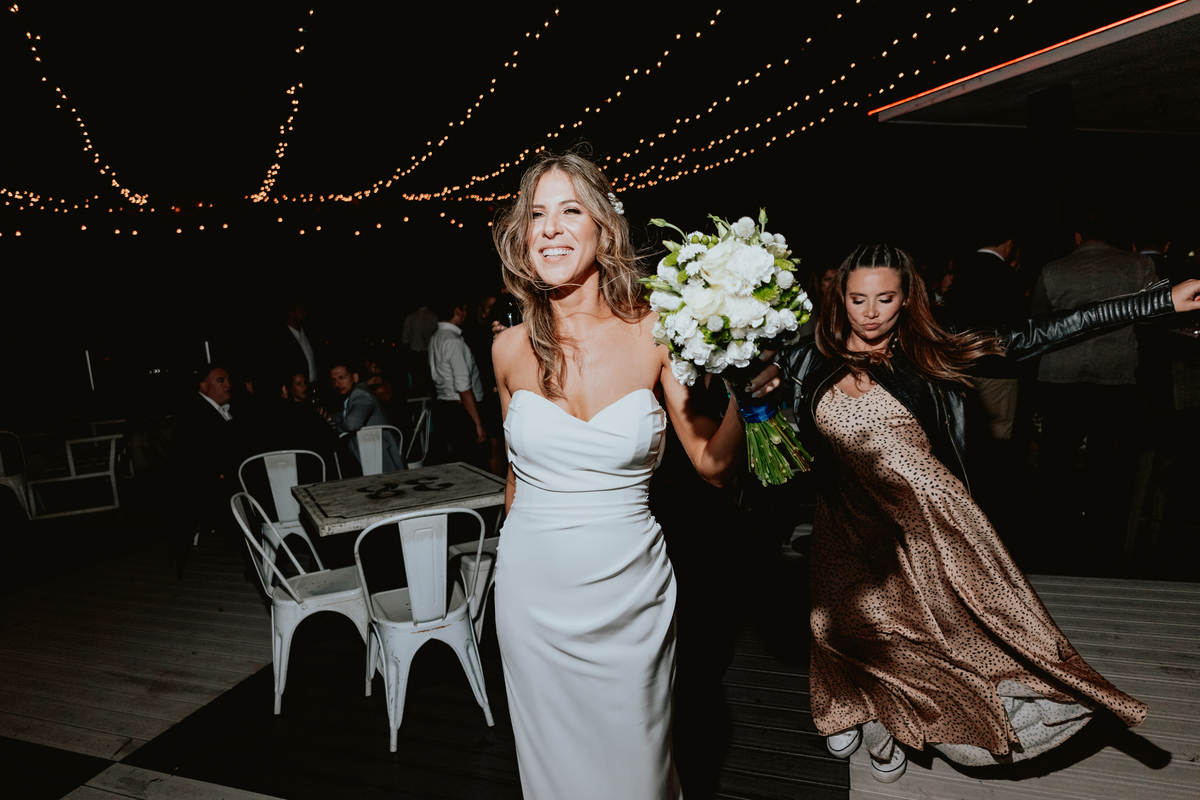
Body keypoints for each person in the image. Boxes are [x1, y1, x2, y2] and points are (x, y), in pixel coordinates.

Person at [781, 243, 1200, 782]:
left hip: (924, 519)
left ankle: (891, 722)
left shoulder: (933, 349)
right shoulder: (805, 357)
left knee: (913, 633)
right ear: (839, 296)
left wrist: (1156, 301)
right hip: (843, 514)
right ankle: (843, 703)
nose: (870, 312)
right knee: (834, 623)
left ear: (907, 298)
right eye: (858, 299)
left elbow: (1046, 331)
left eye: (885, 298)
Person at [490, 151, 776, 800]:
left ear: (603, 227)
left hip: (629, 594)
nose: (549, 228)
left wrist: (751, 400)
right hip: (532, 596)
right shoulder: (507, 349)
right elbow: (515, 477)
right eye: (536, 214)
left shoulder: (658, 333)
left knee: (637, 772)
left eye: (570, 210)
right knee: (555, 775)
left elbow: (714, 467)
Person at [427, 297, 489, 469]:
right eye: (465, 309)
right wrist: (478, 423)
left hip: (445, 406)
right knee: (474, 466)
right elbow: (463, 387)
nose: (467, 313)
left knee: (459, 463)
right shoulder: (453, 341)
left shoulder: (436, 337)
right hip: (462, 411)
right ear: (457, 311)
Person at [326, 361, 403, 473]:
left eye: (341, 378)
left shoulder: (361, 395)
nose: (337, 384)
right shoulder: (355, 393)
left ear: (355, 377)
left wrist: (336, 428)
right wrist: (333, 422)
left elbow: (352, 424)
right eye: (333, 380)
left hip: (382, 460)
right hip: (370, 455)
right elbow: (342, 413)